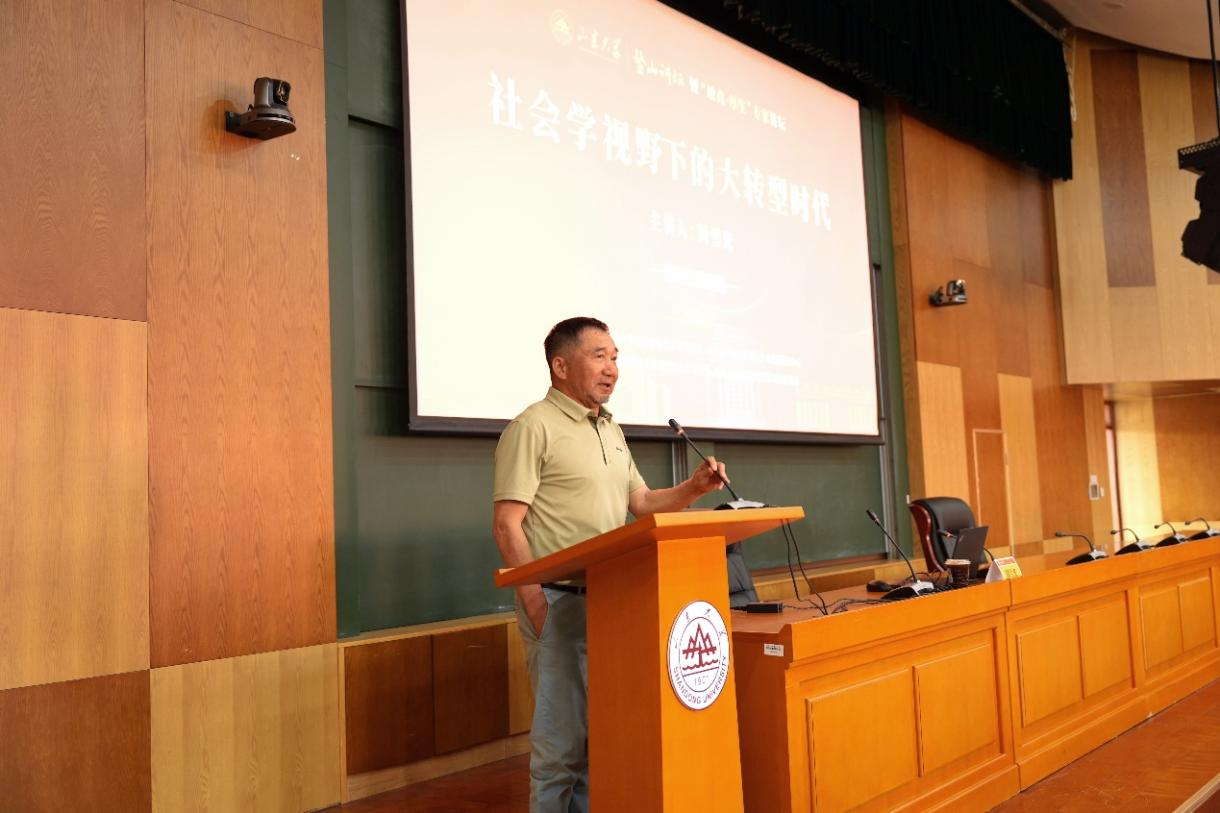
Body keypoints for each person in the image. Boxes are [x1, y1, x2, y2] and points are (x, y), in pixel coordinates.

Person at [492, 316, 730, 813]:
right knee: (560, 749)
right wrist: (536, 603)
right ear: (561, 366)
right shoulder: (533, 426)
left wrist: (693, 489)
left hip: (611, 602)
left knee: (598, 742)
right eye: (599, 355)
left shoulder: (610, 429)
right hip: (557, 601)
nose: (612, 368)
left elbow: (640, 502)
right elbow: (507, 525)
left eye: (615, 357)